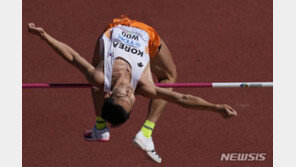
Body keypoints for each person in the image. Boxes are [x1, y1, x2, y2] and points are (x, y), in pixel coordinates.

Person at [28, 15, 237, 163]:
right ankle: (146, 132)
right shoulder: (144, 86)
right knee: (169, 77)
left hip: (115, 28)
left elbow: (72, 56)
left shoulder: (100, 76)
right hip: (147, 34)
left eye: (123, 94)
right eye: (131, 98)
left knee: (96, 79)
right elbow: (182, 98)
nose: (129, 91)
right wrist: (216, 108)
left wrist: (44, 36)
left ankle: (100, 125)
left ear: (110, 94)